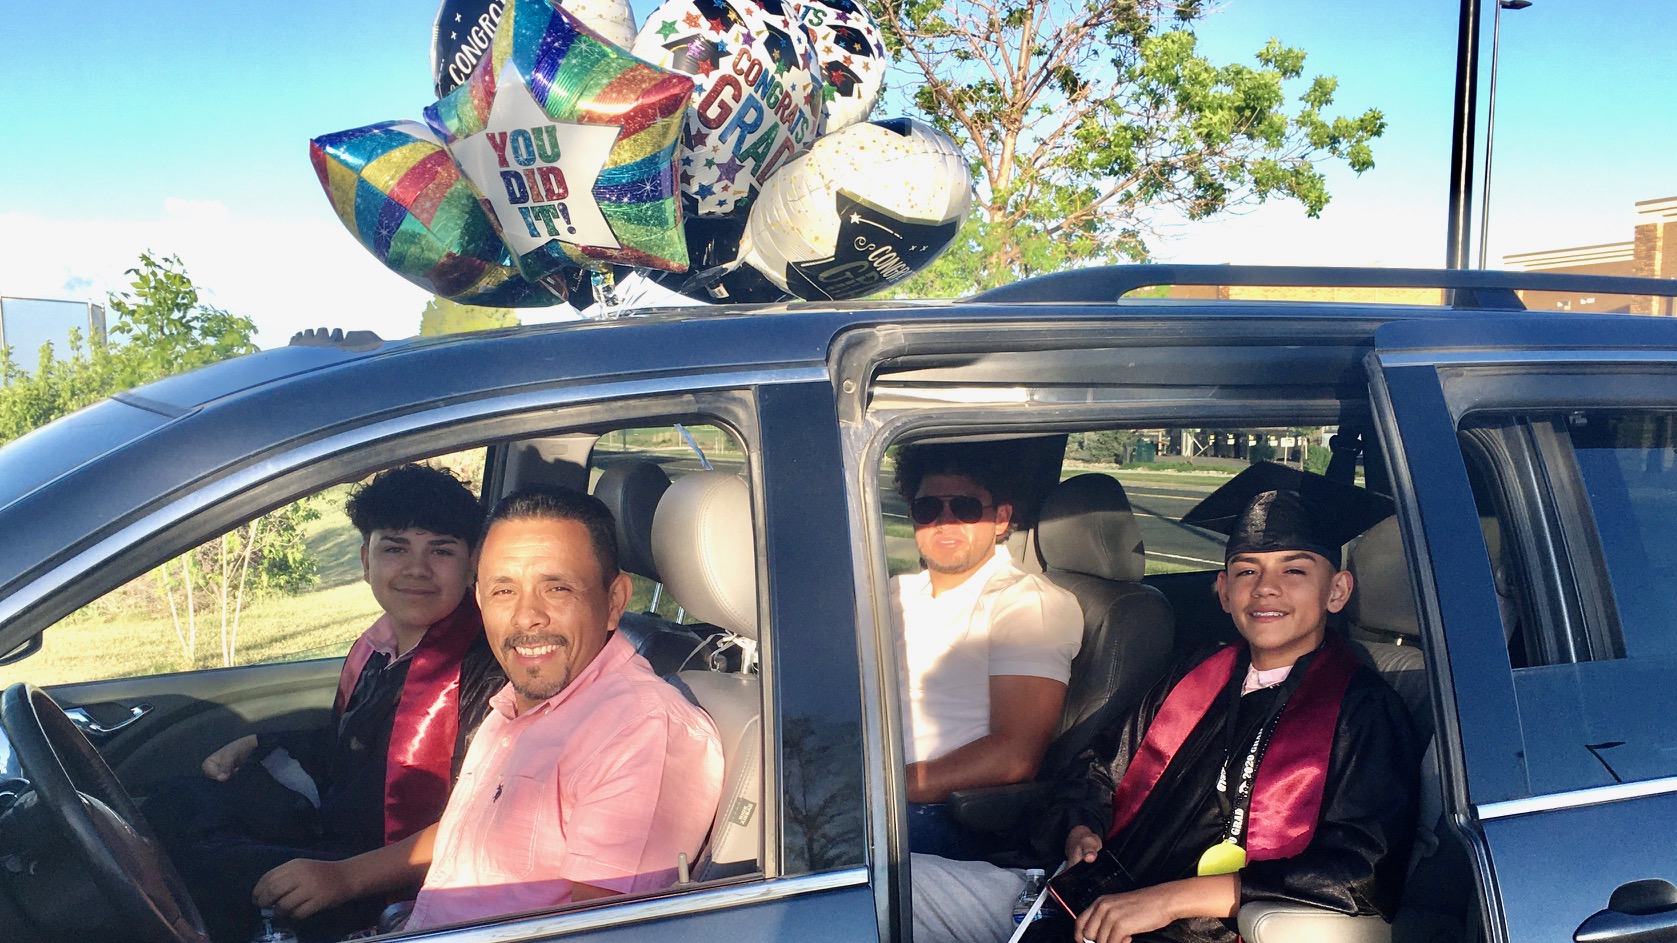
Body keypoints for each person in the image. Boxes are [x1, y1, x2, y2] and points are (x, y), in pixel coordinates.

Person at [913, 462, 1421, 943]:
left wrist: (1172, 901)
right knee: (877, 887)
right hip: (1076, 896)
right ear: (1222, 592)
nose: (1266, 588)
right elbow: (1098, 771)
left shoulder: (1363, 712)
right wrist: (1081, 827)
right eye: (1246, 571)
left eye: (1294, 571)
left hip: (1193, 932)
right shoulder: (1193, 675)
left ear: (1337, 591)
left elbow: (1360, 870)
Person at [254, 484, 724, 931]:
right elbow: (467, 832)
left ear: (614, 600)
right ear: (479, 600)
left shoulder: (639, 731)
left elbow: (600, 932)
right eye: (503, 590)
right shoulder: (517, 704)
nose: (525, 616)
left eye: (556, 588)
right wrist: (348, 878)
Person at [151, 463, 504, 943]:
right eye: (395, 548)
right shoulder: (381, 651)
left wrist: (345, 878)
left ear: (470, 565)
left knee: (198, 876)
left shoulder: (486, 671)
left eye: (440, 550)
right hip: (337, 843)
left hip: (399, 889)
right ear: (365, 561)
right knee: (176, 806)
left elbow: (484, 818)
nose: (417, 569)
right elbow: (354, 748)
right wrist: (259, 740)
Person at [890, 442, 1083, 858]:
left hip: (942, 816)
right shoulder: (895, 592)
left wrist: (878, 788)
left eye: (964, 507)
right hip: (864, 785)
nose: (945, 522)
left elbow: (1014, 755)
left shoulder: (1027, 603)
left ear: (1000, 519)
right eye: (927, 509)